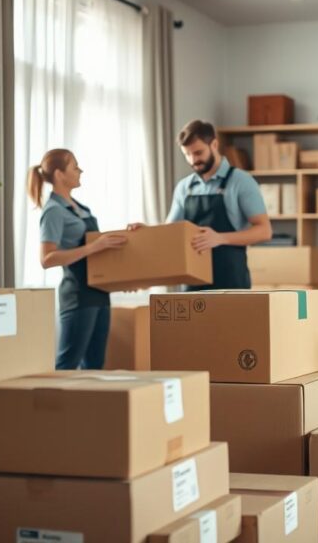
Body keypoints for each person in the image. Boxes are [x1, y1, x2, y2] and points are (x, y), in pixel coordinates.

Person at [28, 148, 141, 370]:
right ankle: (56, 405)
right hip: (78, 297)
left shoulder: (80, 208)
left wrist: (121, 281)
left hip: (99, 294)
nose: (80, 171)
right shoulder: (53, 211)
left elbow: (98, 258)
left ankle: (88, 405)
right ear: (60, 174)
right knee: (68, 364)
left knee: (95, 365)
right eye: (75, 166)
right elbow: (47, 259)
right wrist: (93, 247)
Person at [167, 120, 272, 289]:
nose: (193, 160)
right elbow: (170, 232)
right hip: (193, 284)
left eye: (198, 152)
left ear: (214, 144)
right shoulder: (184, 187)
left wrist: (220, 238)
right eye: (187, 154)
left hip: (230, 281)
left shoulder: (241, 181)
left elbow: (264, 231)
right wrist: (147, 231)